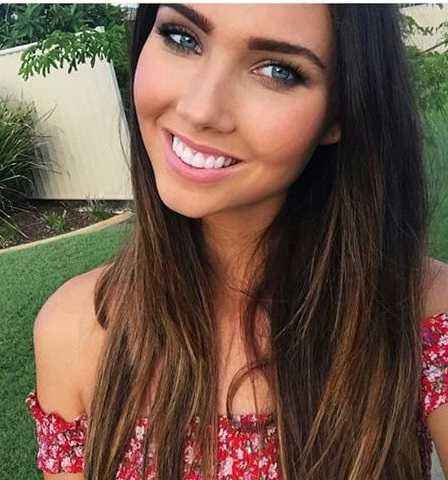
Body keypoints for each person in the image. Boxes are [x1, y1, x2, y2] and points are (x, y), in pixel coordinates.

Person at [25, 4, 448, 480]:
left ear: (340, 112)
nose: (200, 109)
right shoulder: (73, 330)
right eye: (182, 38)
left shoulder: (421, 310)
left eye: (277, 71)